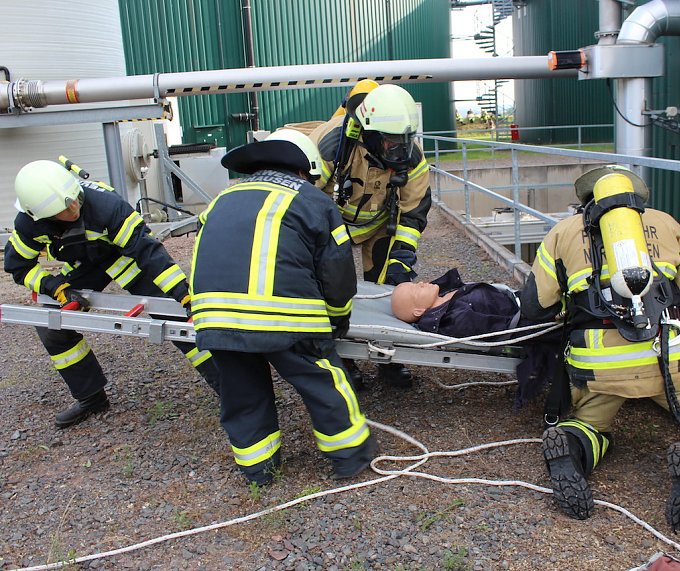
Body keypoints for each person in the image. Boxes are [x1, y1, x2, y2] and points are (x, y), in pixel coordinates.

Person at [519, 165, 680, 538]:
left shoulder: (562, 232)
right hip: (673, 355)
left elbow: (535, 307)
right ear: (638, 199)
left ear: (586, 201)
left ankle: (573, 445)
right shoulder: (668, 223)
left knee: (588, 422)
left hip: (598, 365)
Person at [189, 129, 376, 485]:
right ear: (304, 170)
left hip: (215, 318)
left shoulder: (221, 199)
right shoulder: (311, 200)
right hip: (287, 318)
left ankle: (259, 470)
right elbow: (337, 271)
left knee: (242, 391)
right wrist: (337, 318)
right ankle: (351, 457)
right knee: (322, 380)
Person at [4, 160, 221, 429]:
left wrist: (183, 295)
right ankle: (91, 397)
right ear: (39, 215)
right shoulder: (30, 224)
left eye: (75, 201)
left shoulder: (108, 207)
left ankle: (231, 390)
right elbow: (17, 266)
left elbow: (149, 253)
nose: (74, 208)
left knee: (178, 319)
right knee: (53, 327)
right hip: (85, 263)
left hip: (126, 256)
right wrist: (54, 287)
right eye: (64, 208)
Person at [391, 268, 680, 406]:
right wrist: (547, 312)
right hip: (542, 324)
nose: (423, 282)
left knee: (618, 300)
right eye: (416, 288)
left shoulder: (444, 297)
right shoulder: (454, 318)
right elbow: (501, 330)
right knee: (617, 326)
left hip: (536, 306)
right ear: (420, 312)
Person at [309, 83, 432, 388]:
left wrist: (401, 259)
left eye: (405, 140)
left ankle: (388, 358)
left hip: (378, 226)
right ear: (371, 134)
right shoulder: (331, 146)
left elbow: (413, 213)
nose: (400, 150)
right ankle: (342, 359)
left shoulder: (411, 159)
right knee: (332, 291)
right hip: (330, 226)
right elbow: (302, 201)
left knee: (389, 289)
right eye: (392, 143)